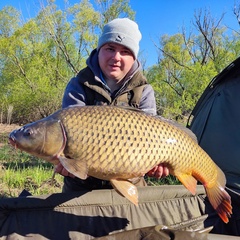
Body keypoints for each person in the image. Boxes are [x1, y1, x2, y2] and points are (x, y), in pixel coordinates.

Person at [54, 18, 169, 192]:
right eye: (110, 49)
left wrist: (157, 164)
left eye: (125, 52)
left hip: (131, 182)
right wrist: (66, 163)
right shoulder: (78, 84)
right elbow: (68, 133)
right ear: (99, 51)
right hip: (82, 186)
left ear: (134, 58)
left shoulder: (144, 91)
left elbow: (151, 140)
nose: (116, 57)